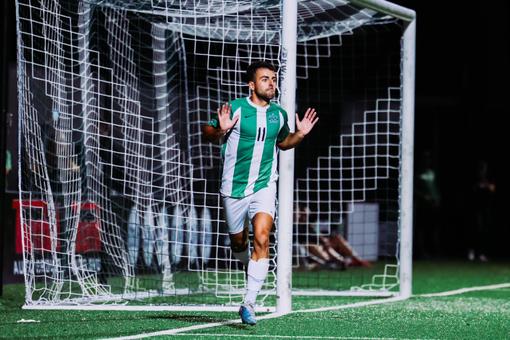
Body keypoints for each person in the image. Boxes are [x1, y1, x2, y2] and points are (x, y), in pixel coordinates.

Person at [202, 61, 318, 325]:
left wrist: (300, 134)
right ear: (251, 84)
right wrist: (221, 129)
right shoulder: (236, 108)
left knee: (263, 237)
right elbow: (208, 132)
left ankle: (248, 303)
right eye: (265, 79)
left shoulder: (279, 114)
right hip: (233, 188)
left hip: (265, 185)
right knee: (239, 243)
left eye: (274, 79)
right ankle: (250, 266)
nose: (271, 83)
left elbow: (284, 142)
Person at [294, 206, 371, 269]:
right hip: (308, 248)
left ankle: (355, 260)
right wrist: (321, 240)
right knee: (312, 245)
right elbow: (304, 239)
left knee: (337, 238)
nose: (305, 216)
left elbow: (316, 234)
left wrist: (324, 240)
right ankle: (333, 262)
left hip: (321, 243)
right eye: (302, 214)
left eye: (306, 214)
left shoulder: (310, 224)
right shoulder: (294, 226)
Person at [467, 160, 496, 262]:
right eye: (481, 168)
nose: (483, 170)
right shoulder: (475, 179)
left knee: (485, 230)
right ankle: (471, 251)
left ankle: (482, 253)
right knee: (475, 229)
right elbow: (473, 190)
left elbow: (492, 189)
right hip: (476, 208)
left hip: (486, 208)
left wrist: (487, 186)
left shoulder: (489, 179)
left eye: (484, 168)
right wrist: (480, 187)